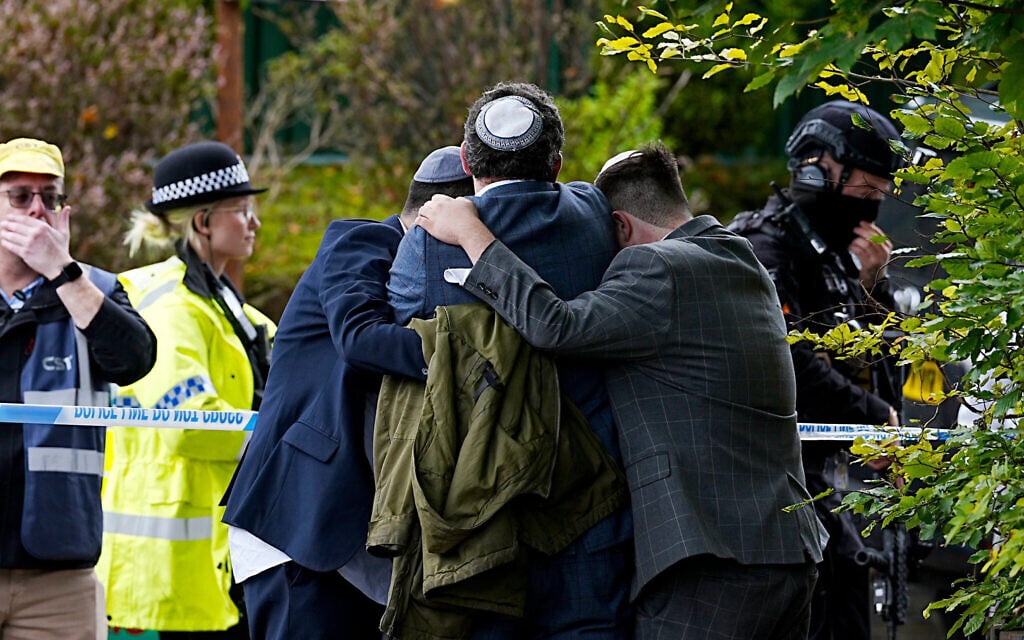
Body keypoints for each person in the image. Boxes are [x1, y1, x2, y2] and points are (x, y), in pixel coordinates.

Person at [415, 142, 828, 640]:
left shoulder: (658, 268)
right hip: (789, 551)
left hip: (710, 562)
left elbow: (556, 326)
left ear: (622, 227)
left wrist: (470, 232)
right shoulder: (738, 257)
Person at [388, 81, 632, 638]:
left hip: (479, 509)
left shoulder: (428, 243)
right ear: (559, 161)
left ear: (467, 159)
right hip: (590, 503)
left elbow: (403, 319)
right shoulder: (594, 213)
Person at [222, 146, 474, 640]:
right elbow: (360, 337)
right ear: (440, 216)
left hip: (352, 537)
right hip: (299, 523)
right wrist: (474, 360)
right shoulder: (360, 241)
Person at [727, 100, 906, 640]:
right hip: (769, 502)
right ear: (816, 167)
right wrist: (872, 417)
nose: (870, 213)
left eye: (879, 198)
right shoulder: (764, 247)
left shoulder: (837, 255)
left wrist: (873, 290)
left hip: (824, 493)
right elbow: (785, 362)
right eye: (863, 195)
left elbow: (883, 368)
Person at [96, 141, 276, 639]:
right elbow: (191, 423)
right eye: (241, 211)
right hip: (175, 557)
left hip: (208, 549)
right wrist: (280, 444)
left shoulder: (220, 302)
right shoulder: (171, 307)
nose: (253, 223)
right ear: (202, 223)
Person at [0, 137, 156, 640]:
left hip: (59, 573)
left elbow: (134, 361)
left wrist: (62, 274)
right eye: (20, 196)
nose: (37, 210)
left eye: (50, 196)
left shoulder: (96, 290)